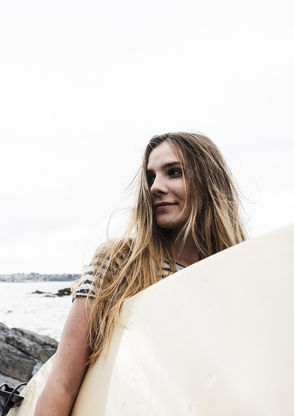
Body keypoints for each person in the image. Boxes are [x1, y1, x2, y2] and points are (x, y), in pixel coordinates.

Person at [34, 132, 247, 416]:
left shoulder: (238, 271)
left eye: (173, 172)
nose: (155, 187)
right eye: (150, 177)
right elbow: (62, 384)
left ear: (209, 181)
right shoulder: (119, 262)